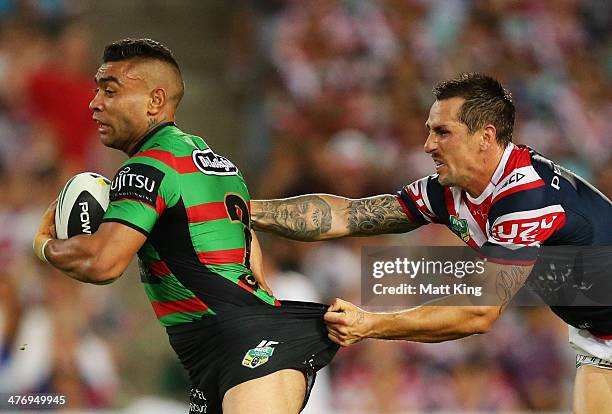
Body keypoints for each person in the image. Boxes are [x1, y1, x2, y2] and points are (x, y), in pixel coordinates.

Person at [251, 73, 612, 413]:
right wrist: (241, 210)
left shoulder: (527, 197)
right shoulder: (446, 193)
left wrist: (370, 325)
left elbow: (478, 312)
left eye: (443, 132)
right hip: (596, 335)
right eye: (429, 132)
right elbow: (348, 215)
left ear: (485, 136)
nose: (428, 146)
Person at [32, 38, 338, 414]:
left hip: (245, 353)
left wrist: (43, 243)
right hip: (238, 351)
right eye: (96, 90)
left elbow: (101, 263)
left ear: (155, 101)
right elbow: (255, 271)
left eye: (109, 91)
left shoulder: (147, 166)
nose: (94, 103)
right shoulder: (217, 165)